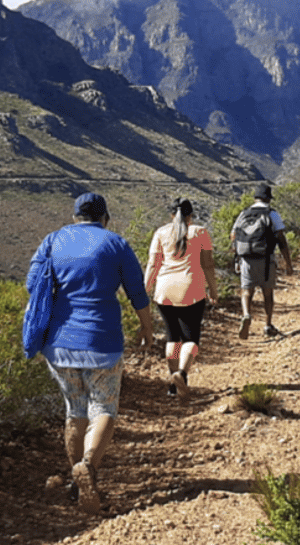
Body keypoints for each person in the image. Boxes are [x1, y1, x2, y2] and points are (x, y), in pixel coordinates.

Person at [27, 192, 155, 515]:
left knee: (75, 410)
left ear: (74, 218)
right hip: (103, 342)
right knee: (104, 409)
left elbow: (33, 283)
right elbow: (136, 291)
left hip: (59, 344)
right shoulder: (115, 244)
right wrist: (147, 328)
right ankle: (88, 467)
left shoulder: (53, 241)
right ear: (105, 219)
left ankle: (76, 484)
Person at [144, 197, 218, 398]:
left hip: (164, 290)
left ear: (171, 215)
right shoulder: (200, 232)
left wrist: (146, 288)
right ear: (190, 216)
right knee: (191, 338)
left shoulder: (160, 233)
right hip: (191, 289)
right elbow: (208, 264)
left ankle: (173, 384)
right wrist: (213, 289)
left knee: (172, 336)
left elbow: (153, 264)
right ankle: (182, 374)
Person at [235, 183, 293, 339]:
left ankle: (246, 314)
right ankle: (267, 326)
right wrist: (288, 262)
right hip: (266, 259)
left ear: (255, 198)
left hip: (246, 259)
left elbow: (233, 236)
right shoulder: (272, 214)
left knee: (247, 291)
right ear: (268, 198)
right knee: (268, 293)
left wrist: (237, 257)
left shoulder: (244, 213)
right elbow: (281, 239)